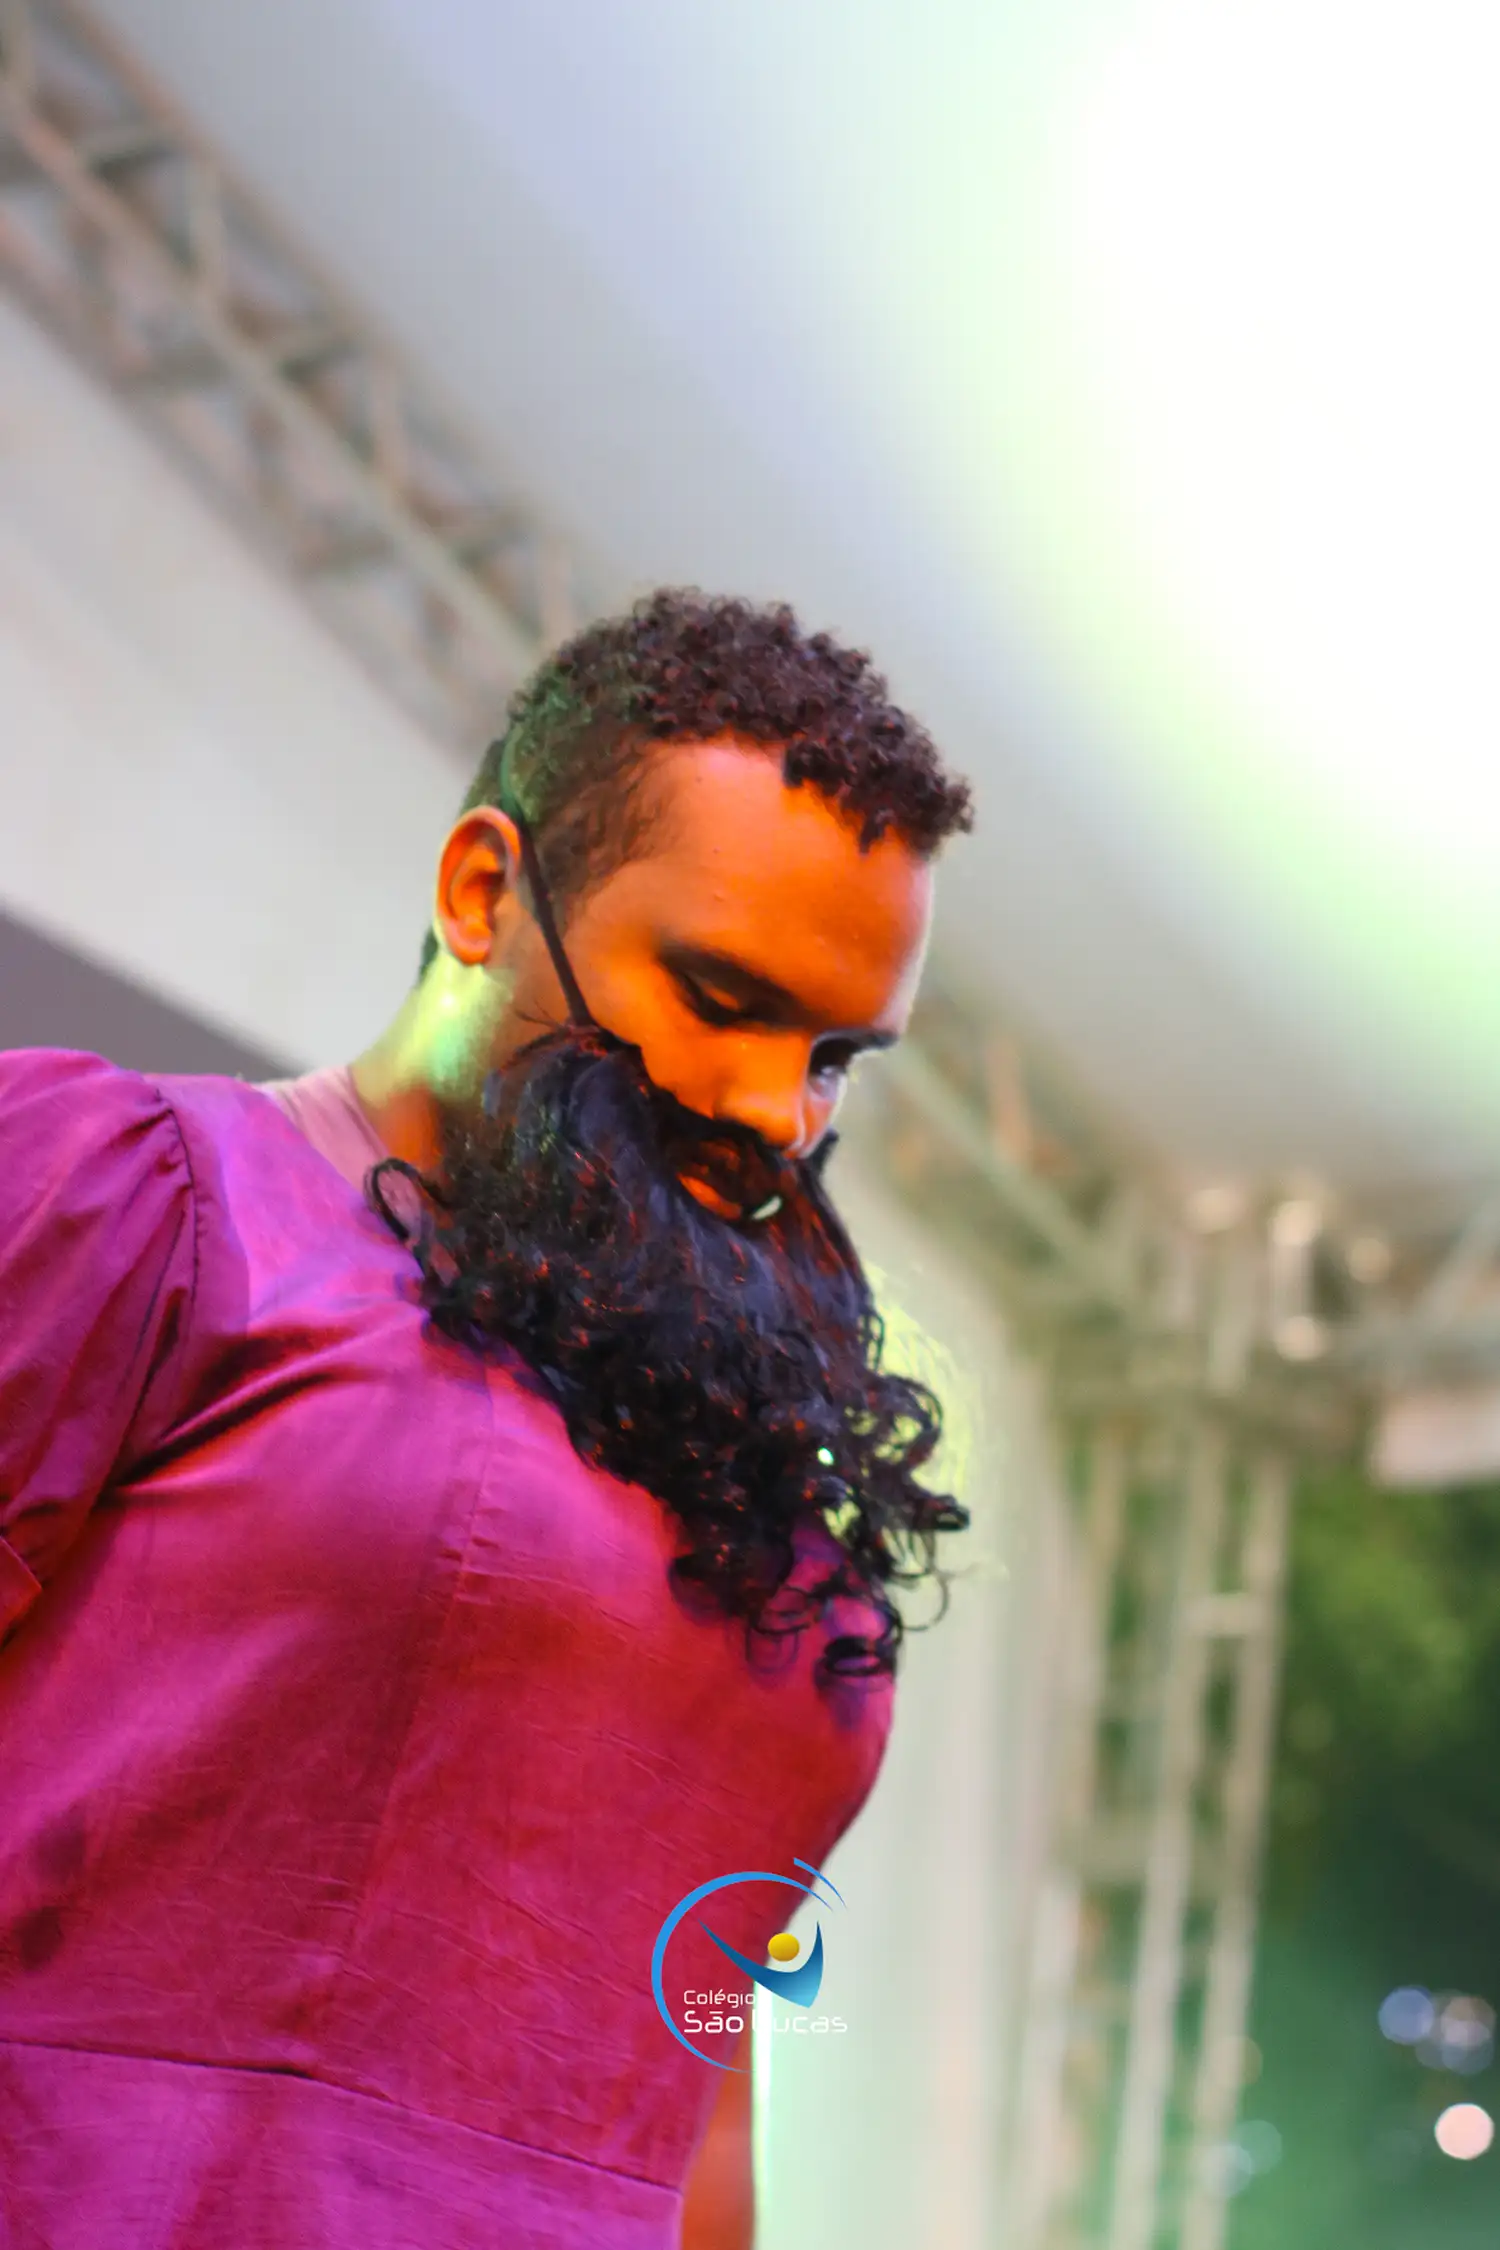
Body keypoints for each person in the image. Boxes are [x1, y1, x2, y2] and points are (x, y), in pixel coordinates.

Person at [0, 589, 975, 2249]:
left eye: (832, 1056)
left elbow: (702, 2091)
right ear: (480, 892)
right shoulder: (145, 1203)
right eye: (719, 997)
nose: (775, 1109)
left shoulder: (744, 1479)